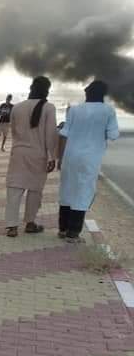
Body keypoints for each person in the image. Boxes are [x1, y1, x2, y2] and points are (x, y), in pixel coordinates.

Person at [56, 80, 120, 240]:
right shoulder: (108, 111)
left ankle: (62, 229)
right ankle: (73, 232)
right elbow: (113, 135)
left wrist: (59, 157)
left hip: (70, 156)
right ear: (103, 94)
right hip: (90, 158)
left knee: (67, 191)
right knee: (83, 192)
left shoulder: (74, 110)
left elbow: (64, 134)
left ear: (87, 93)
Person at [5, 76, 58, 237]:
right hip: (38, 155)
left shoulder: (17, 107)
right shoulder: (49, 107)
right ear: (46, 90)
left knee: (14, 190)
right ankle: (30, 223)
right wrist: (52, 157)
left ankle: (12, 226)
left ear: (31, 88)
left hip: (18, 154)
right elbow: (51, 135)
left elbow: (13, 131)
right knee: (35, 191)